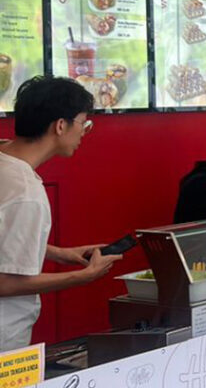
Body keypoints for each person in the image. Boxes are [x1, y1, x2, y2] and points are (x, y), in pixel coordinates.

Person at [0, 76, 122, 352]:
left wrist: (59, 254)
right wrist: (82, 276)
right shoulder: (26, 194)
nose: (84, 133)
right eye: (83, 124)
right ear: (60, 125)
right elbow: (5, 282)